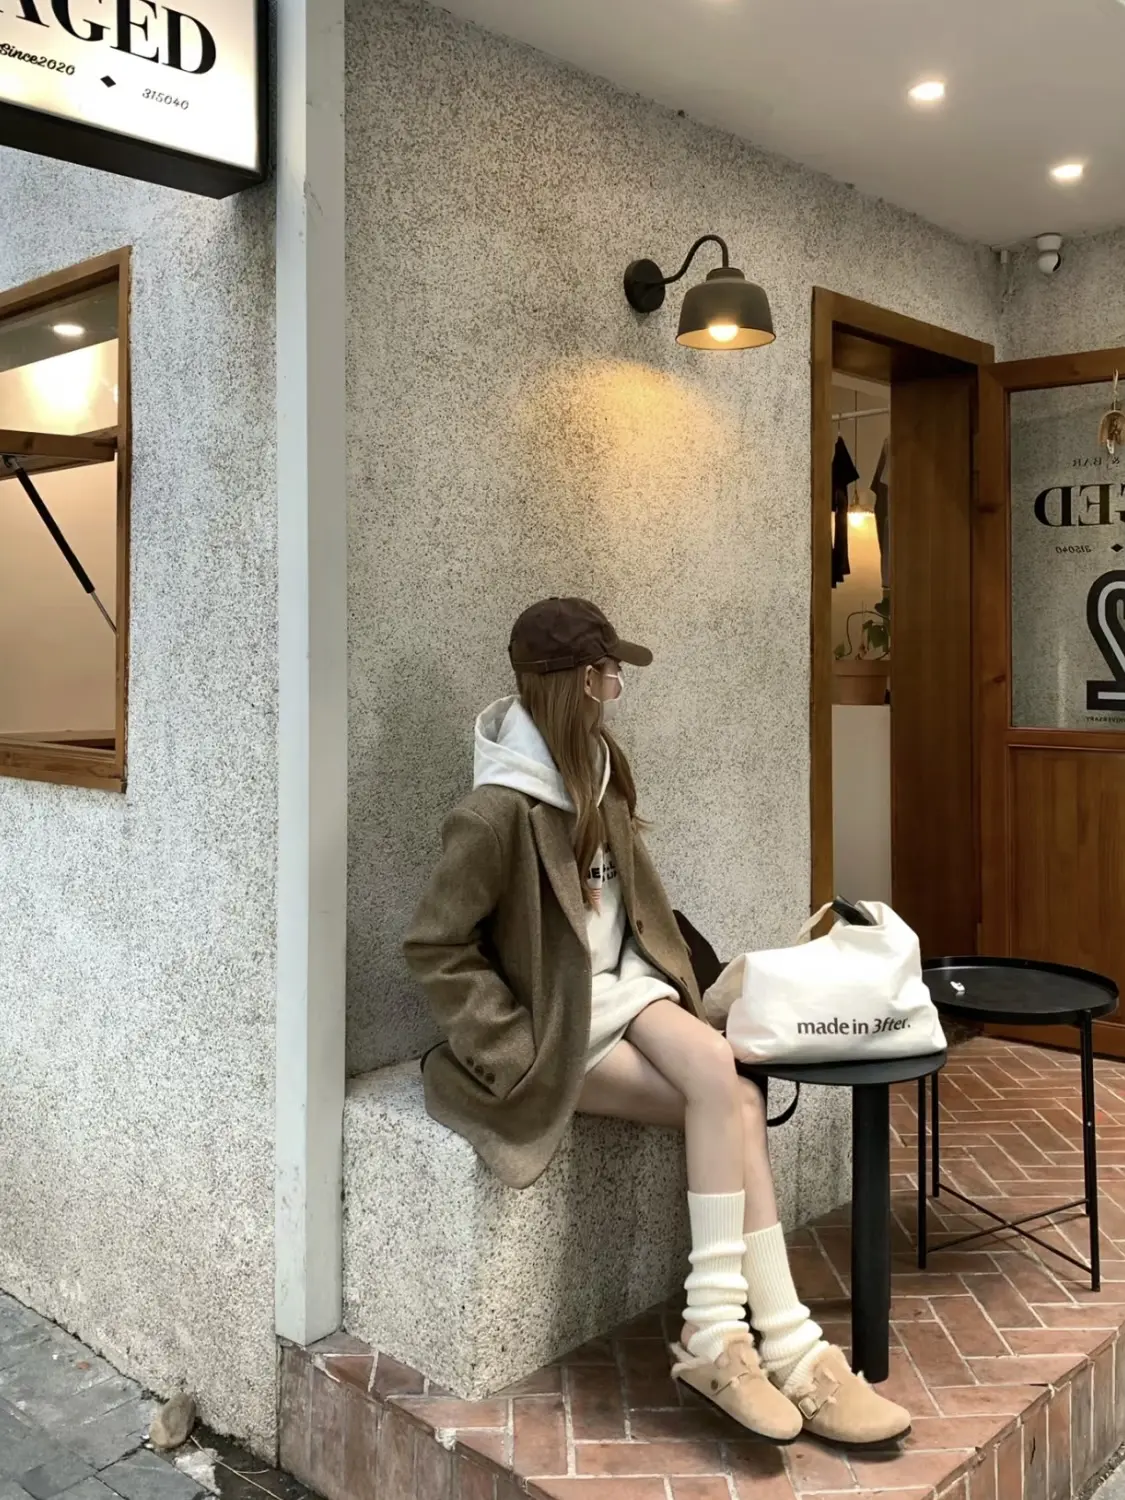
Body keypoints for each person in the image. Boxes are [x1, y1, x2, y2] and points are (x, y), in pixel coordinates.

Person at [405, 597, 910, 1449]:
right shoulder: (495, 813)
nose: (615, 687)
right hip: (561, 1027)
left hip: (629, 994)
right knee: (731, 1095)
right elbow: (434, 945)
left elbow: (635, 915)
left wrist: (678, 984)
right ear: (573, 683)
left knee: (727, 1084)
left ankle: (744, 1338)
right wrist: (512, 1050)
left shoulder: (601, 770)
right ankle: (769, 1342)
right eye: (606, 673)